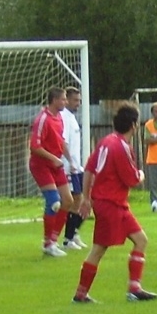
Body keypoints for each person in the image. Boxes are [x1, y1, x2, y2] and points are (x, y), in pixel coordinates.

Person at [72, 104, 157, 303]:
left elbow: (89, 170)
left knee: (141, 240)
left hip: (115, 203)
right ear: (134, 125)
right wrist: (142, 175)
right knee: (99, 249)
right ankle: (80, 293)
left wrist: (86, 197)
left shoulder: (105, 142)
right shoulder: (121, 147)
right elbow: (132, 179)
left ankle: (134, 289)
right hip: (110, 203)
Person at [29, 87, 74, 256]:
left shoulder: (59, 118)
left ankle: (53, 241)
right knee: (55, 203)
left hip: (56, 165)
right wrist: (53, 158)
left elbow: (60, 141)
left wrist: (70, 159)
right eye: (63, 99)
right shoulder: (42, 119)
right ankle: (48, 244)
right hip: (41, 165)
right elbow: (34, 147)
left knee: (68, 201)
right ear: (54, 100)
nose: (65, 102)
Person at [61, 86, 88, 250]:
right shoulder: (64, 117)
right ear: (68, 100)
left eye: (79, 101)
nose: (78, 104)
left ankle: (74, 233)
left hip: (77, 166)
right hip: (68, 167)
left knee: (85, 200)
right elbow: (62, 141)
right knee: (76, 200)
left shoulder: (71, 117)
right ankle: (67, 239)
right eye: (75, 100)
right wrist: (70, 162)